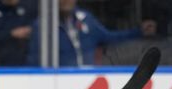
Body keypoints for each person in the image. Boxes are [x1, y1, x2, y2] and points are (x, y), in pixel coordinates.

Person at [27, 0, 155, 66]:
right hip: (61, 81)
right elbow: (34, 59)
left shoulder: (85, 19)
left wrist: (138, 31)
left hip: (89, 80)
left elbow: (109, 38)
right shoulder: (44, 25)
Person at [0, 0, 36, 67]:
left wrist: (30, 31)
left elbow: (35, 30)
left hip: (23, 62)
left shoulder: (28, 9)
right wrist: (11, 34)